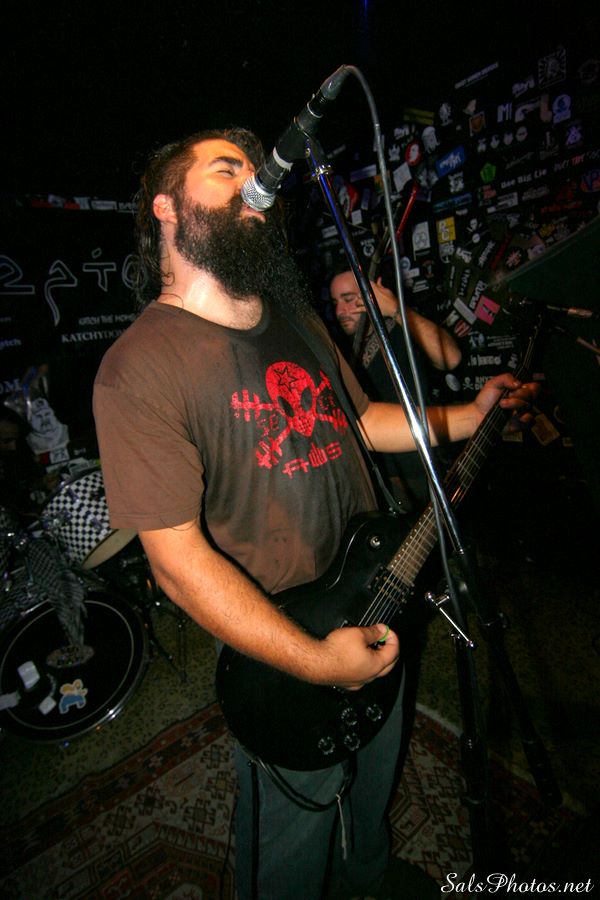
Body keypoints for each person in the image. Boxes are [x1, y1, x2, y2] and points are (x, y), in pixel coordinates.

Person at [92, 127, 538, 900]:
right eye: (227, 170)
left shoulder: (295, 319)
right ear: (165, 206)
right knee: (289, 840)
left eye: (257, 171)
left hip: (379, 588)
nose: (255, 185)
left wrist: (469, 414)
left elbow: (362, 420)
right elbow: (177, 562)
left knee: (375, 777)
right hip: (284, 646)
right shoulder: (139, 365)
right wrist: (313, 660)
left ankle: (368, 875)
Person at [330, 268, 462, 510]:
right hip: (382, 480)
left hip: (423, 472)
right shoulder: (342, 350)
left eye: (348, 299)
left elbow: (451, 358)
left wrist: (395, 309)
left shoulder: (399, 330)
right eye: (335, 302)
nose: (340, 311)